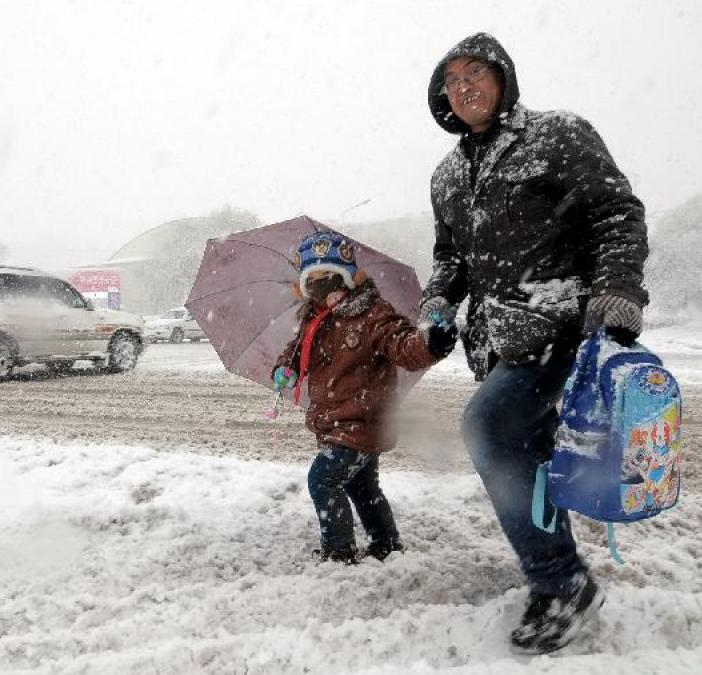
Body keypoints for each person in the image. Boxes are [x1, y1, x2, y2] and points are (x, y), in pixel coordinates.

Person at [419, 33, 649, 654]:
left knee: (488, 425)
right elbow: (451, 259)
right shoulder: (446, 175)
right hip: (495, 341)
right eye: (452, 79)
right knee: (536, 457)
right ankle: (558, 559)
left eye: (476, 73)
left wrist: (619, 288)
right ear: (442, 97)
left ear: (503, 78)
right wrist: (438, 302)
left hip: (560, 330)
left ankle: (560, 583)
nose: (464, 86)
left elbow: (616, 214)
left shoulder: (557, 135)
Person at [273, 232, 456, 564]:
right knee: (362, 486)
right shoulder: (313, 320)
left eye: (329, 277)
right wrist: (284, 369)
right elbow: (296, 352)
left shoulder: (372, 314)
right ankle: (386, 542)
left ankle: (339, 551)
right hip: (338, 422)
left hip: (362, 421)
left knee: (323, 479)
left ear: (346, 278)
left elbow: (403, 346)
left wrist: (431, 343)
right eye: (311, 280)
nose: (320, 286)